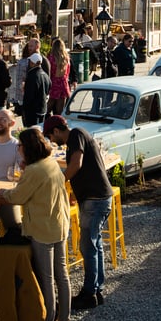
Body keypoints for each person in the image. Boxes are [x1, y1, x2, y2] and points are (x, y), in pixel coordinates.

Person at [0, 128, 71, 321]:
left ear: (27, 148)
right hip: (59, 224)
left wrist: (2, 193)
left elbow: (18, 196)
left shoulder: (35, 170)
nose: (17, 148)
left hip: (42, 229)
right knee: (61, 276)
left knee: (46, 280)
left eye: (19, 146)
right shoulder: (51, 163)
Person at [43, 115, 112, 310]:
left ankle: (88, 293)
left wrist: (60, 181)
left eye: (50, 136)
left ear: (57, 131)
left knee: (87, 246)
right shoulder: (79, 135)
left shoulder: (75, 135)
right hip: (98, 197)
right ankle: (96, 290)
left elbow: (76, 163)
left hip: (95, 199)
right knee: (95, 244)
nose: (51, 140)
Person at [22, 53, 51, 127]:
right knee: (40, 130)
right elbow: (49, 88)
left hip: (32, 111)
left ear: (32, 63)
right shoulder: (45, 75)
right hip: (43, 108)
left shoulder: (32, 75)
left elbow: (29, 96)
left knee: (32, 132)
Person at [46, 38, 71, 116]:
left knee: (49, 105)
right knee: (60, 108)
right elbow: (68, 72)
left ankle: (43, 120)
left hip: (54, 82)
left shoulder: (51, 58)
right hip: (63, 82)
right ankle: (58, 121)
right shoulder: (66, 58)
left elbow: (49, 72)